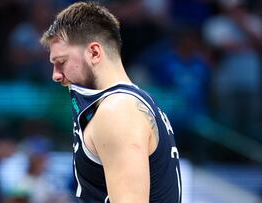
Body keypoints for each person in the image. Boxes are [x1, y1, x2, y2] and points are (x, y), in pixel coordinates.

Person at [40, 2, 182, 203]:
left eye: (61, 62)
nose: (55, 75)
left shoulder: (117, 111)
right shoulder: (133, 102)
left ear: (95, 53)